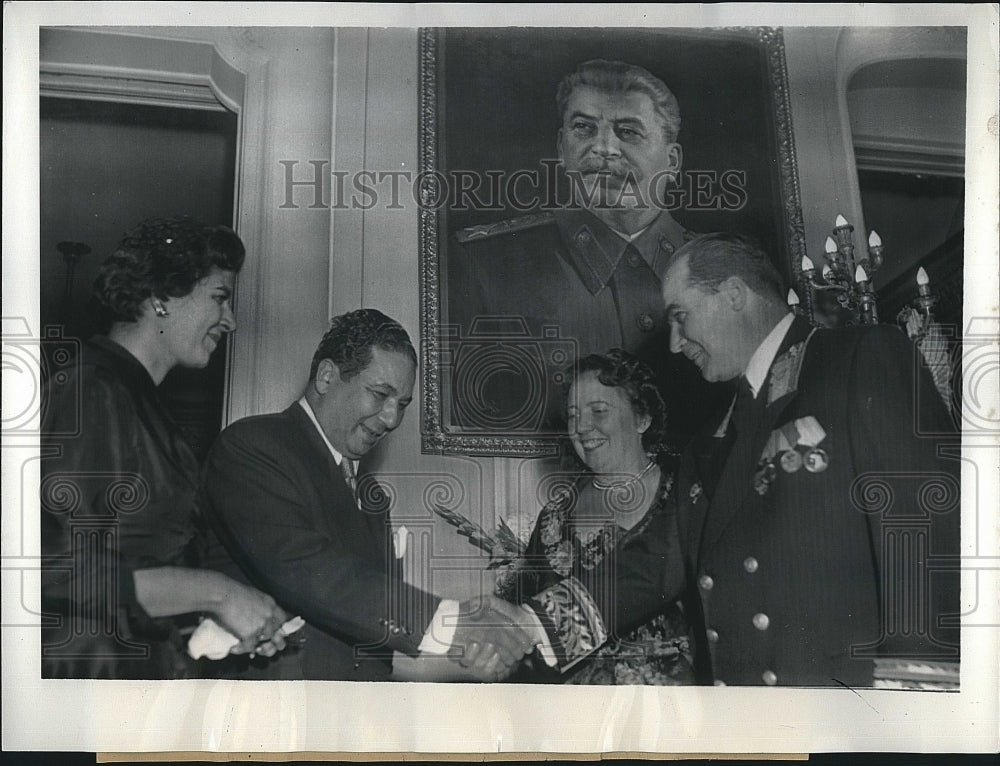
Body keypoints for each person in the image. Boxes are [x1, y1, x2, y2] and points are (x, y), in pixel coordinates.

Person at [660, 232, 961, 686]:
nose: (673, 344)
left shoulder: (862, 357)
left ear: (735, 294)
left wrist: (917, 708)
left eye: (680, 317)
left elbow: (925, 535)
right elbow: (656, 561)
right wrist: (531, 623)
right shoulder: (710, 436)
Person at [200, 309, 538, 681]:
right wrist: (455, 626)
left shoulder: (369, 492)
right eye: (380, 394)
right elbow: (307, 571)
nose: (392, 419)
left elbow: (368, 615)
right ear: (328, 376)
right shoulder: (255, 446)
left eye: (403, 405)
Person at [40, 217, 290, 679]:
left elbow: (136, 569)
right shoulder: (91, 389)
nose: (230, 321)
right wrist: (217, 593)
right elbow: (46, 568)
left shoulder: (139, 402)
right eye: (219, 297)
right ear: (160, 295)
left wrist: (215, 624)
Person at [447, 58, 728, 446]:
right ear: (562, 148)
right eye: (584, 128)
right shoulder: (487, 265)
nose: (603, 147)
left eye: (628, 132)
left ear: (672, 161)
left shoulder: (726, 271)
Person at [500, 349, 695, 685]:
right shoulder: (555, 517)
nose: (582, 427)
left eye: (599, 411)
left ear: (642, 417)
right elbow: (522, 610)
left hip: (674, 709)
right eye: (573, 415)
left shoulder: (685, 494)